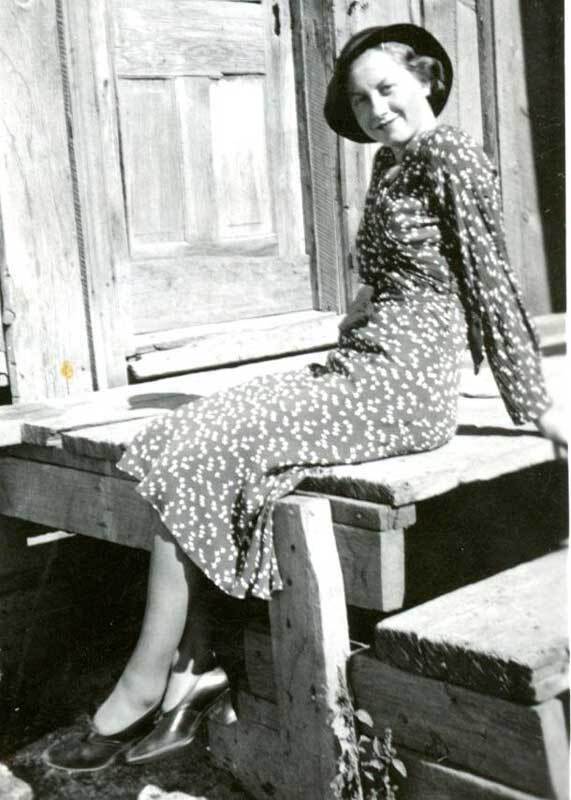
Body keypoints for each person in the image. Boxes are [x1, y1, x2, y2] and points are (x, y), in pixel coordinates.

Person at [44, 23, 565, 772]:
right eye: (359, 100)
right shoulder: (392, 163)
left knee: (201, 446)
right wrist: (358, 312)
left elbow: (488, 281)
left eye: (387, 88)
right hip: (358, 364)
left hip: (400, 387)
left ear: (426, 80)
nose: (375, 108)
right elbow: (402, 272)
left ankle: (146, 680)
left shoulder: (449, 154)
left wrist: (536, 405)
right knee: (176, 438)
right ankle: (188, 670)